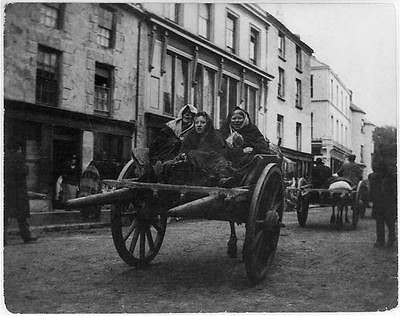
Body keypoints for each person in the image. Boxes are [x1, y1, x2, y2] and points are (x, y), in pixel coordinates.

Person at [164, 111, 233, 186]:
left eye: (203, 122)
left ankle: (221, 179)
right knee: (171, 164)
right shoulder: (190, 135)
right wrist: (183, 155)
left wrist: (198, 154)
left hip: (211, 163)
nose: (199, 125)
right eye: (196, 123)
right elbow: (183, 151)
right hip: (193, 165)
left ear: (208, 124)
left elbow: (220, 154)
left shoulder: (214, 136)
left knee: (220, 164)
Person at [4, 142, 38, 244]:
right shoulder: (18, 156)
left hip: (6, 190)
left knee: (4, 216)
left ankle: (3, 239)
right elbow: (23, 171)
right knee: (22, 216)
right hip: (18, 191)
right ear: (18, 148)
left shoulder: (4, 157)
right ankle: (26, 236)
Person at [368, 155, 396, 248]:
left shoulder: (372, 177)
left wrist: (371, 200)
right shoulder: (391, 177)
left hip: (378, 202)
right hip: (389, 202)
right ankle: (391, 239)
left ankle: (380, 241)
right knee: (390, 221)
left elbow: (371, 191)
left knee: (379, 222)